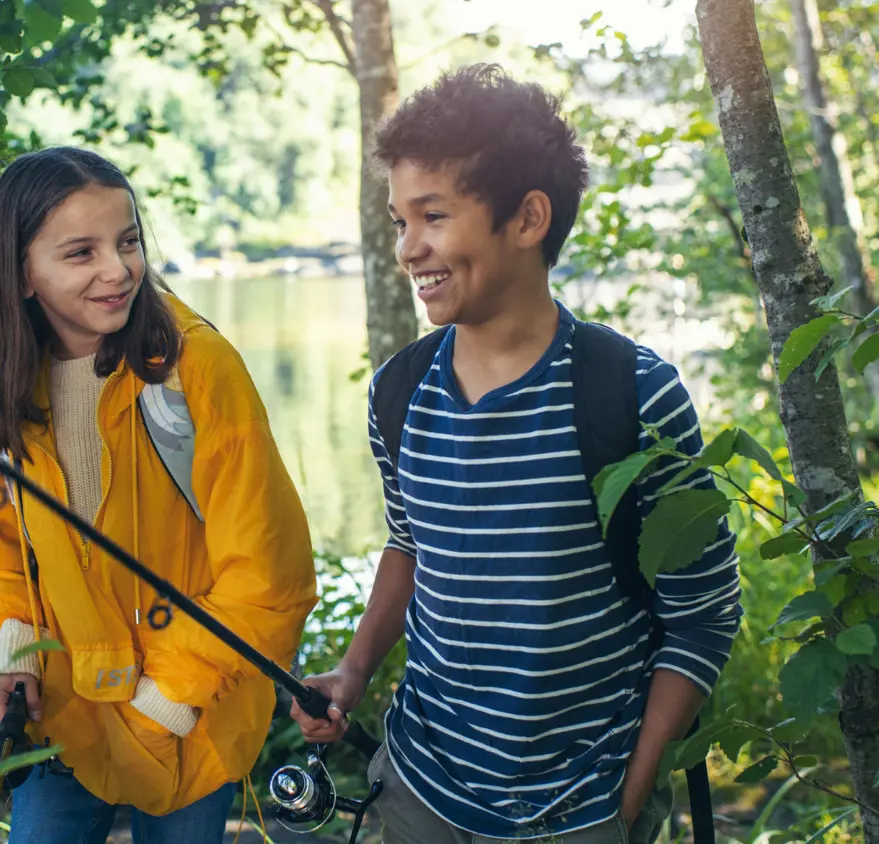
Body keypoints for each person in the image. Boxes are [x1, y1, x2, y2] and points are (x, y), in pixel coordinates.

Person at [290, 65, 743, 844]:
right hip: (419, 787)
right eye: (399, 221)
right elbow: (409, 543)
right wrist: (355, 672)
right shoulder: (399, 394)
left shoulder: (632, 395)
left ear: (529, 218)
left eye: (432, 216)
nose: (409, 248)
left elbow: (702, 618)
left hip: (580, 808)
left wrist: (627, 801)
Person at [0, 146, 318, 844]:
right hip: (60, 721)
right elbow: (0, 562)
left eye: (127, 243)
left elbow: (269, 576)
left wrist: (162, 705)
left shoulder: (197, 368)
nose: (117, 270)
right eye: (80, 252)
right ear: (23, 273)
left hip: (187, 715)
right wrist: (11, 660)